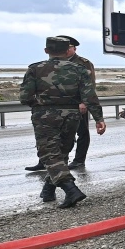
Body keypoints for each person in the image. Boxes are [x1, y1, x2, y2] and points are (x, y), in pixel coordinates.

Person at [19, 36, 106, 207]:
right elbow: (89, 96)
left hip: (45, 116)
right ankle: (48, 190)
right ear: (68, 51)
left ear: (46, 51)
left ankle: (70, 189)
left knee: (49, 154)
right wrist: (99, 118)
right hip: (72, 115)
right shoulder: (80, 69)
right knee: (62, 152)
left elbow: (25, 97)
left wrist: (40, 105)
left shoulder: (35, 69)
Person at [24, 35, 95, 171]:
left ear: (74, 49)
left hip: (76, 104)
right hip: (52, 107)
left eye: (69, 48)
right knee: (49, 134)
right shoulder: (49, 64)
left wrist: (83, 102)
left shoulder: (83, 63)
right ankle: (44, 161)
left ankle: (79, 160)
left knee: (82, 132)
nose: (67, 50)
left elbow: (89, 85)